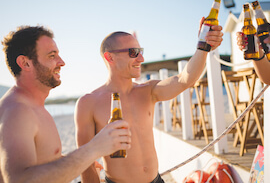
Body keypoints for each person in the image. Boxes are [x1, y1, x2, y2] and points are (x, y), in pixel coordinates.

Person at [75, 17, 223, 183]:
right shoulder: (88, 103)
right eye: (133, 53)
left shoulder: (148, 91)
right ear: (110, 57)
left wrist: (203, 46)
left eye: (141, 51)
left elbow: (184, 80)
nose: (141, 59)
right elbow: (85, 162)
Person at [0, 26, 131, 183]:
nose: (62, 62)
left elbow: (42, 159)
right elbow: (19, 180)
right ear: (25, 63)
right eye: (52, 56)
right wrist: (93, 149)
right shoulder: (18, 111)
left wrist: (79, 162)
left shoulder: (32, 106)